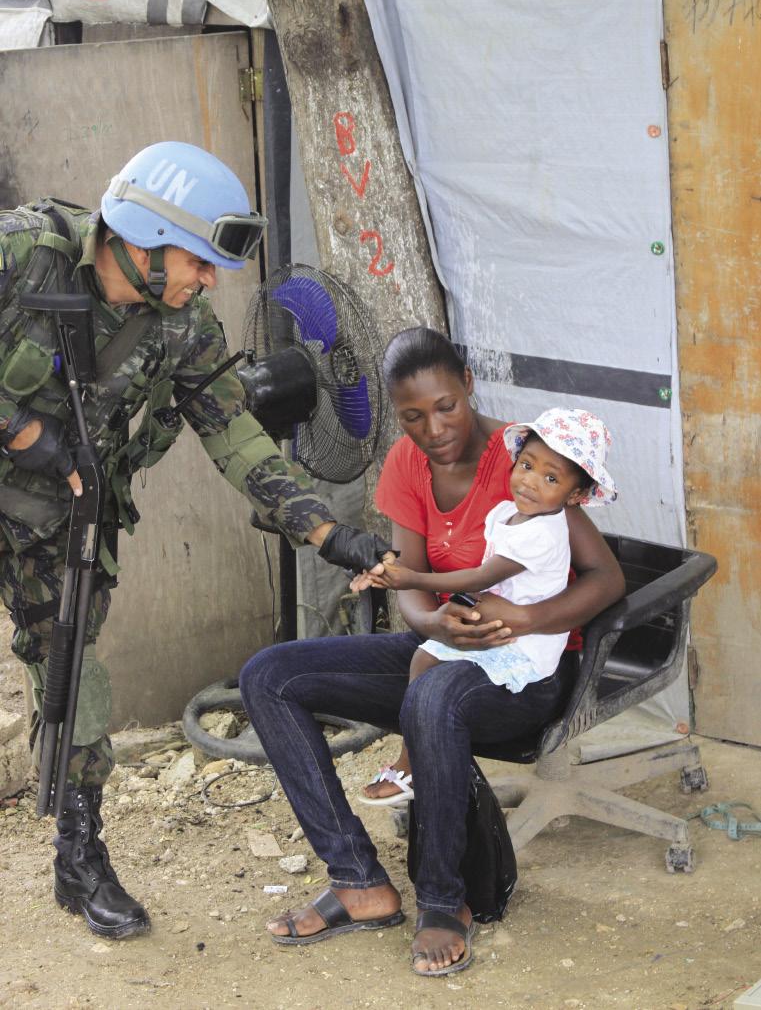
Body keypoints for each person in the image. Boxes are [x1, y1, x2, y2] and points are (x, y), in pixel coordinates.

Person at [0, 141, 392, 941]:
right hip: (27, 464)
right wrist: (19, 430)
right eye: (200, 262)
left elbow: (235, 436)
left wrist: (325, 530)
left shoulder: (186, 327)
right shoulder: (21, 256)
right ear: (140, 237)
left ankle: (79, 857)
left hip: (61, 519)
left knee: (73, 679)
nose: (210, 281)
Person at [239, 326, 625, 978]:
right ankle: (359, 880)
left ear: (467, 386)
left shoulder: (527, 462)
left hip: (524, 670)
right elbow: (413, 597)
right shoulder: (406, 464)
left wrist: (525, 613)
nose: (434, 427)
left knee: (434, 693)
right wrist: (439, 628)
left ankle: (445, 903)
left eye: (445, 406)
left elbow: (606, 577)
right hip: (443, 649)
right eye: (413, 415)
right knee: (268, 675)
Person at [357, 406, 617, 806]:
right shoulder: (505, 514)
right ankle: (413, 763)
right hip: (500, 625)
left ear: (575, 495)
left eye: (550, 478)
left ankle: (423, 774)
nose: (530, 482)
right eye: (526, 465)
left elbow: (481, 578)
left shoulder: (543, 534)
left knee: (436, 686)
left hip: (528, 645)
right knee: (424, 660)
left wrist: (411, 579)